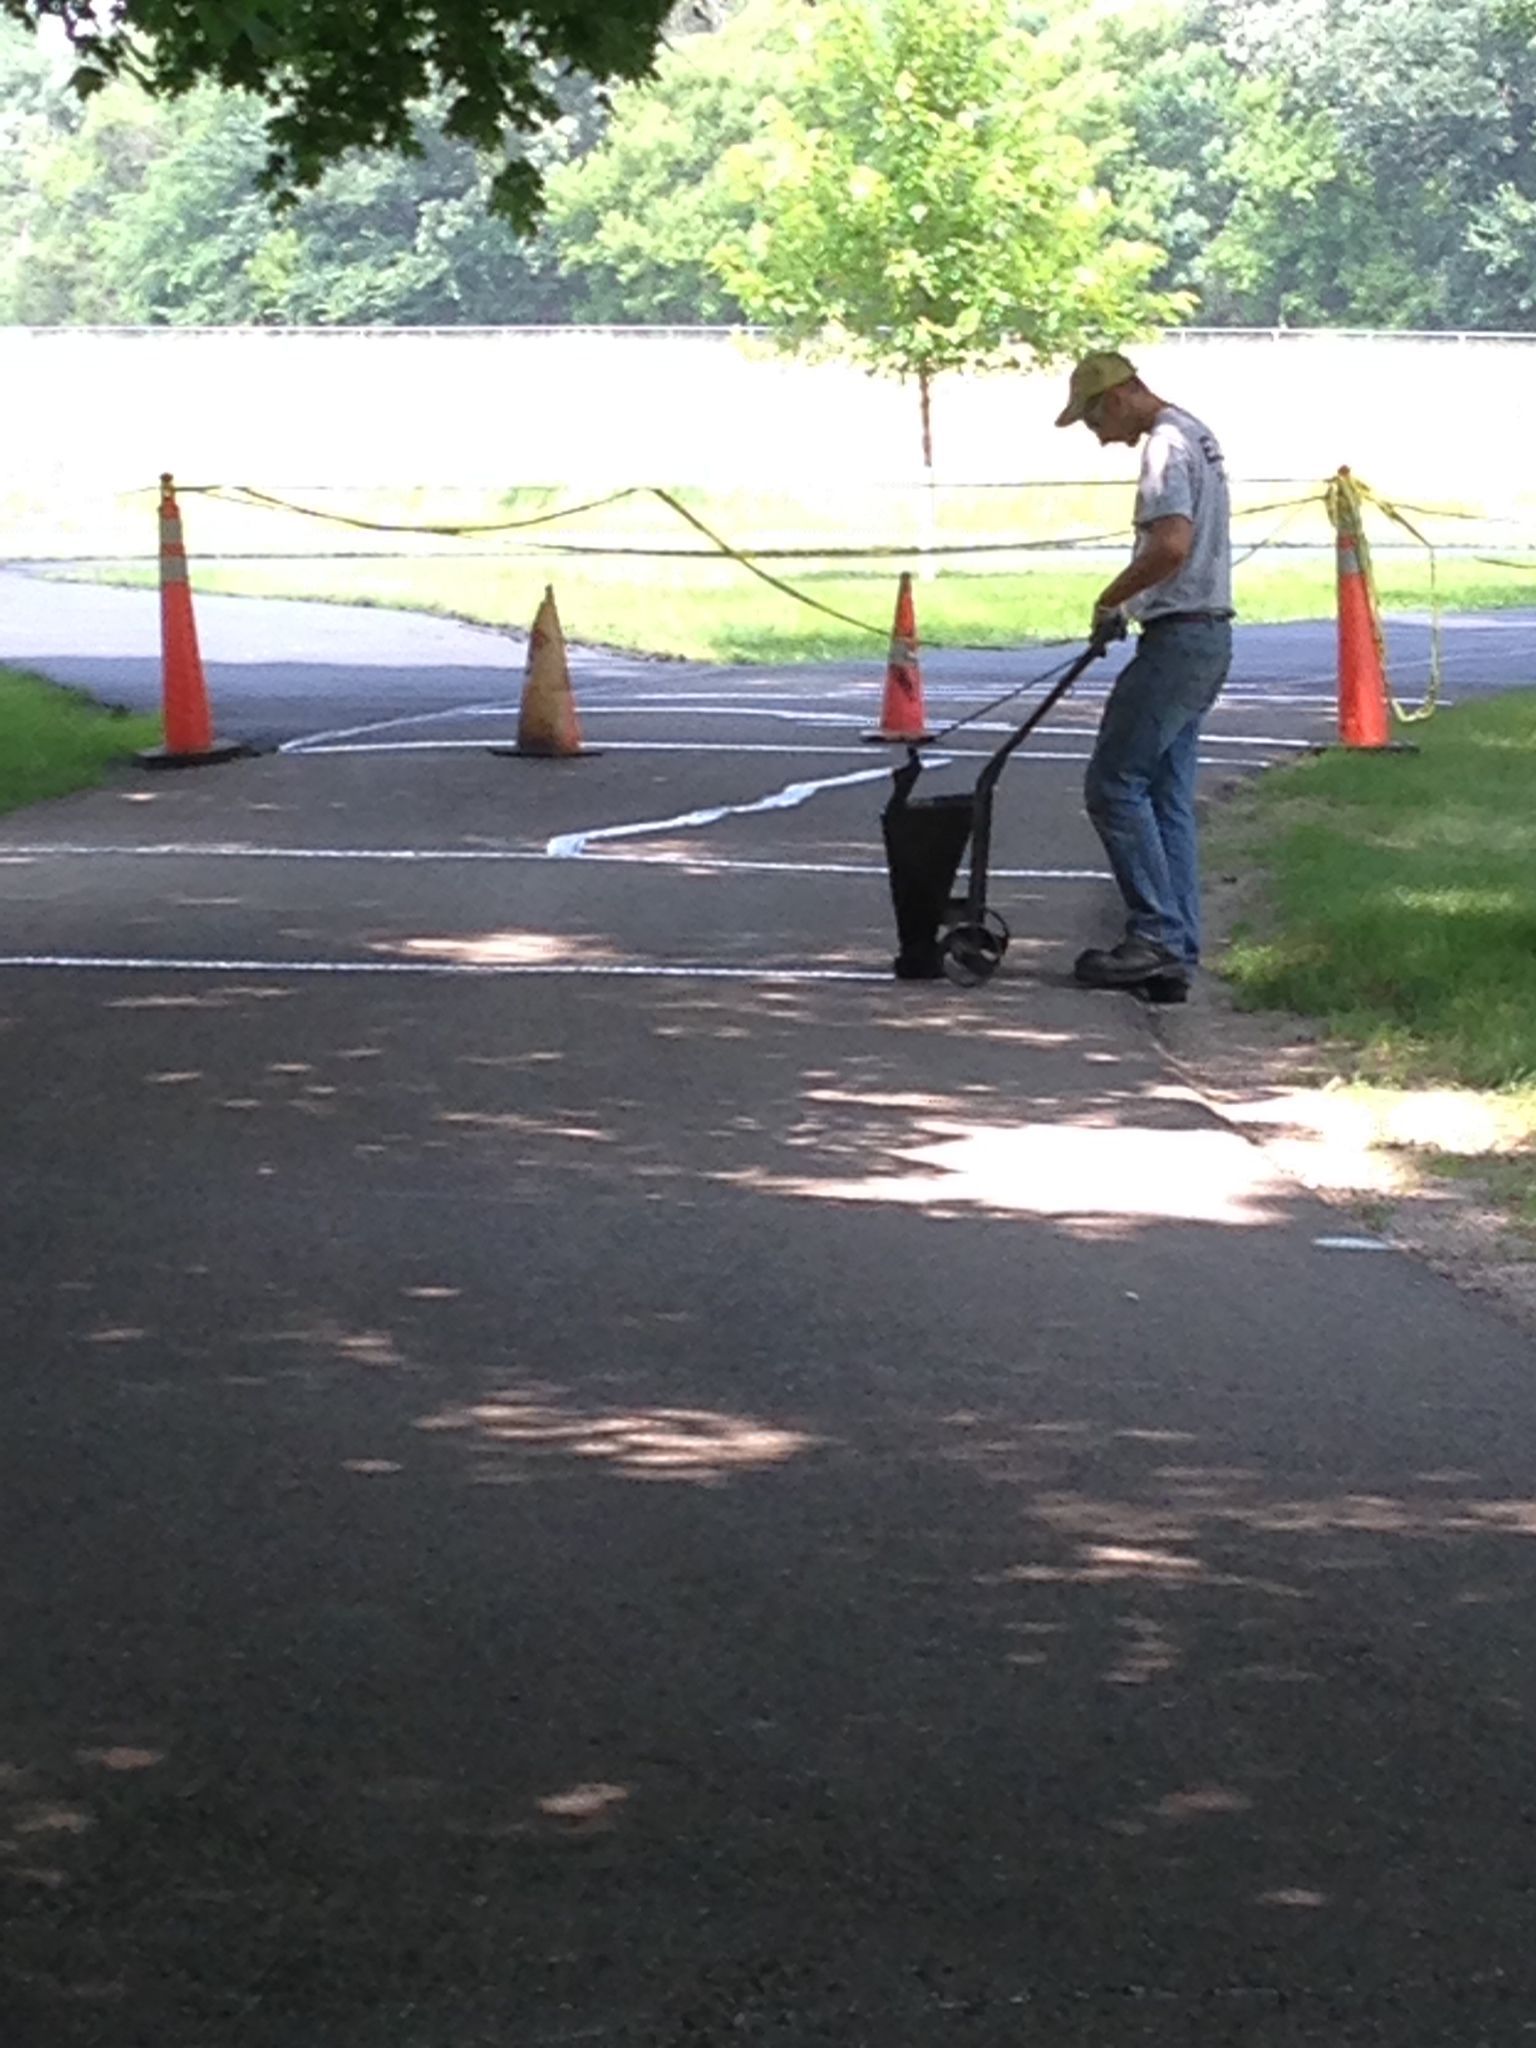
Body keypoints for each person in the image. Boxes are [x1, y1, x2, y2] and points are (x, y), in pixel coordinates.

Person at [1054, 350, 1233, 1002]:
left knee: (1113, 784)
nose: (1099, 436)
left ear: (1118, 397)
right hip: (1206, 634)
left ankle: (1154, 934)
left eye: (1094, 419)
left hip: (1179, 639)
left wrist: (1113, 599)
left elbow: (1171, 545)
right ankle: (1176, 947)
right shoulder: (1195, 433)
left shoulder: (1164, 447)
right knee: (1164, 795)